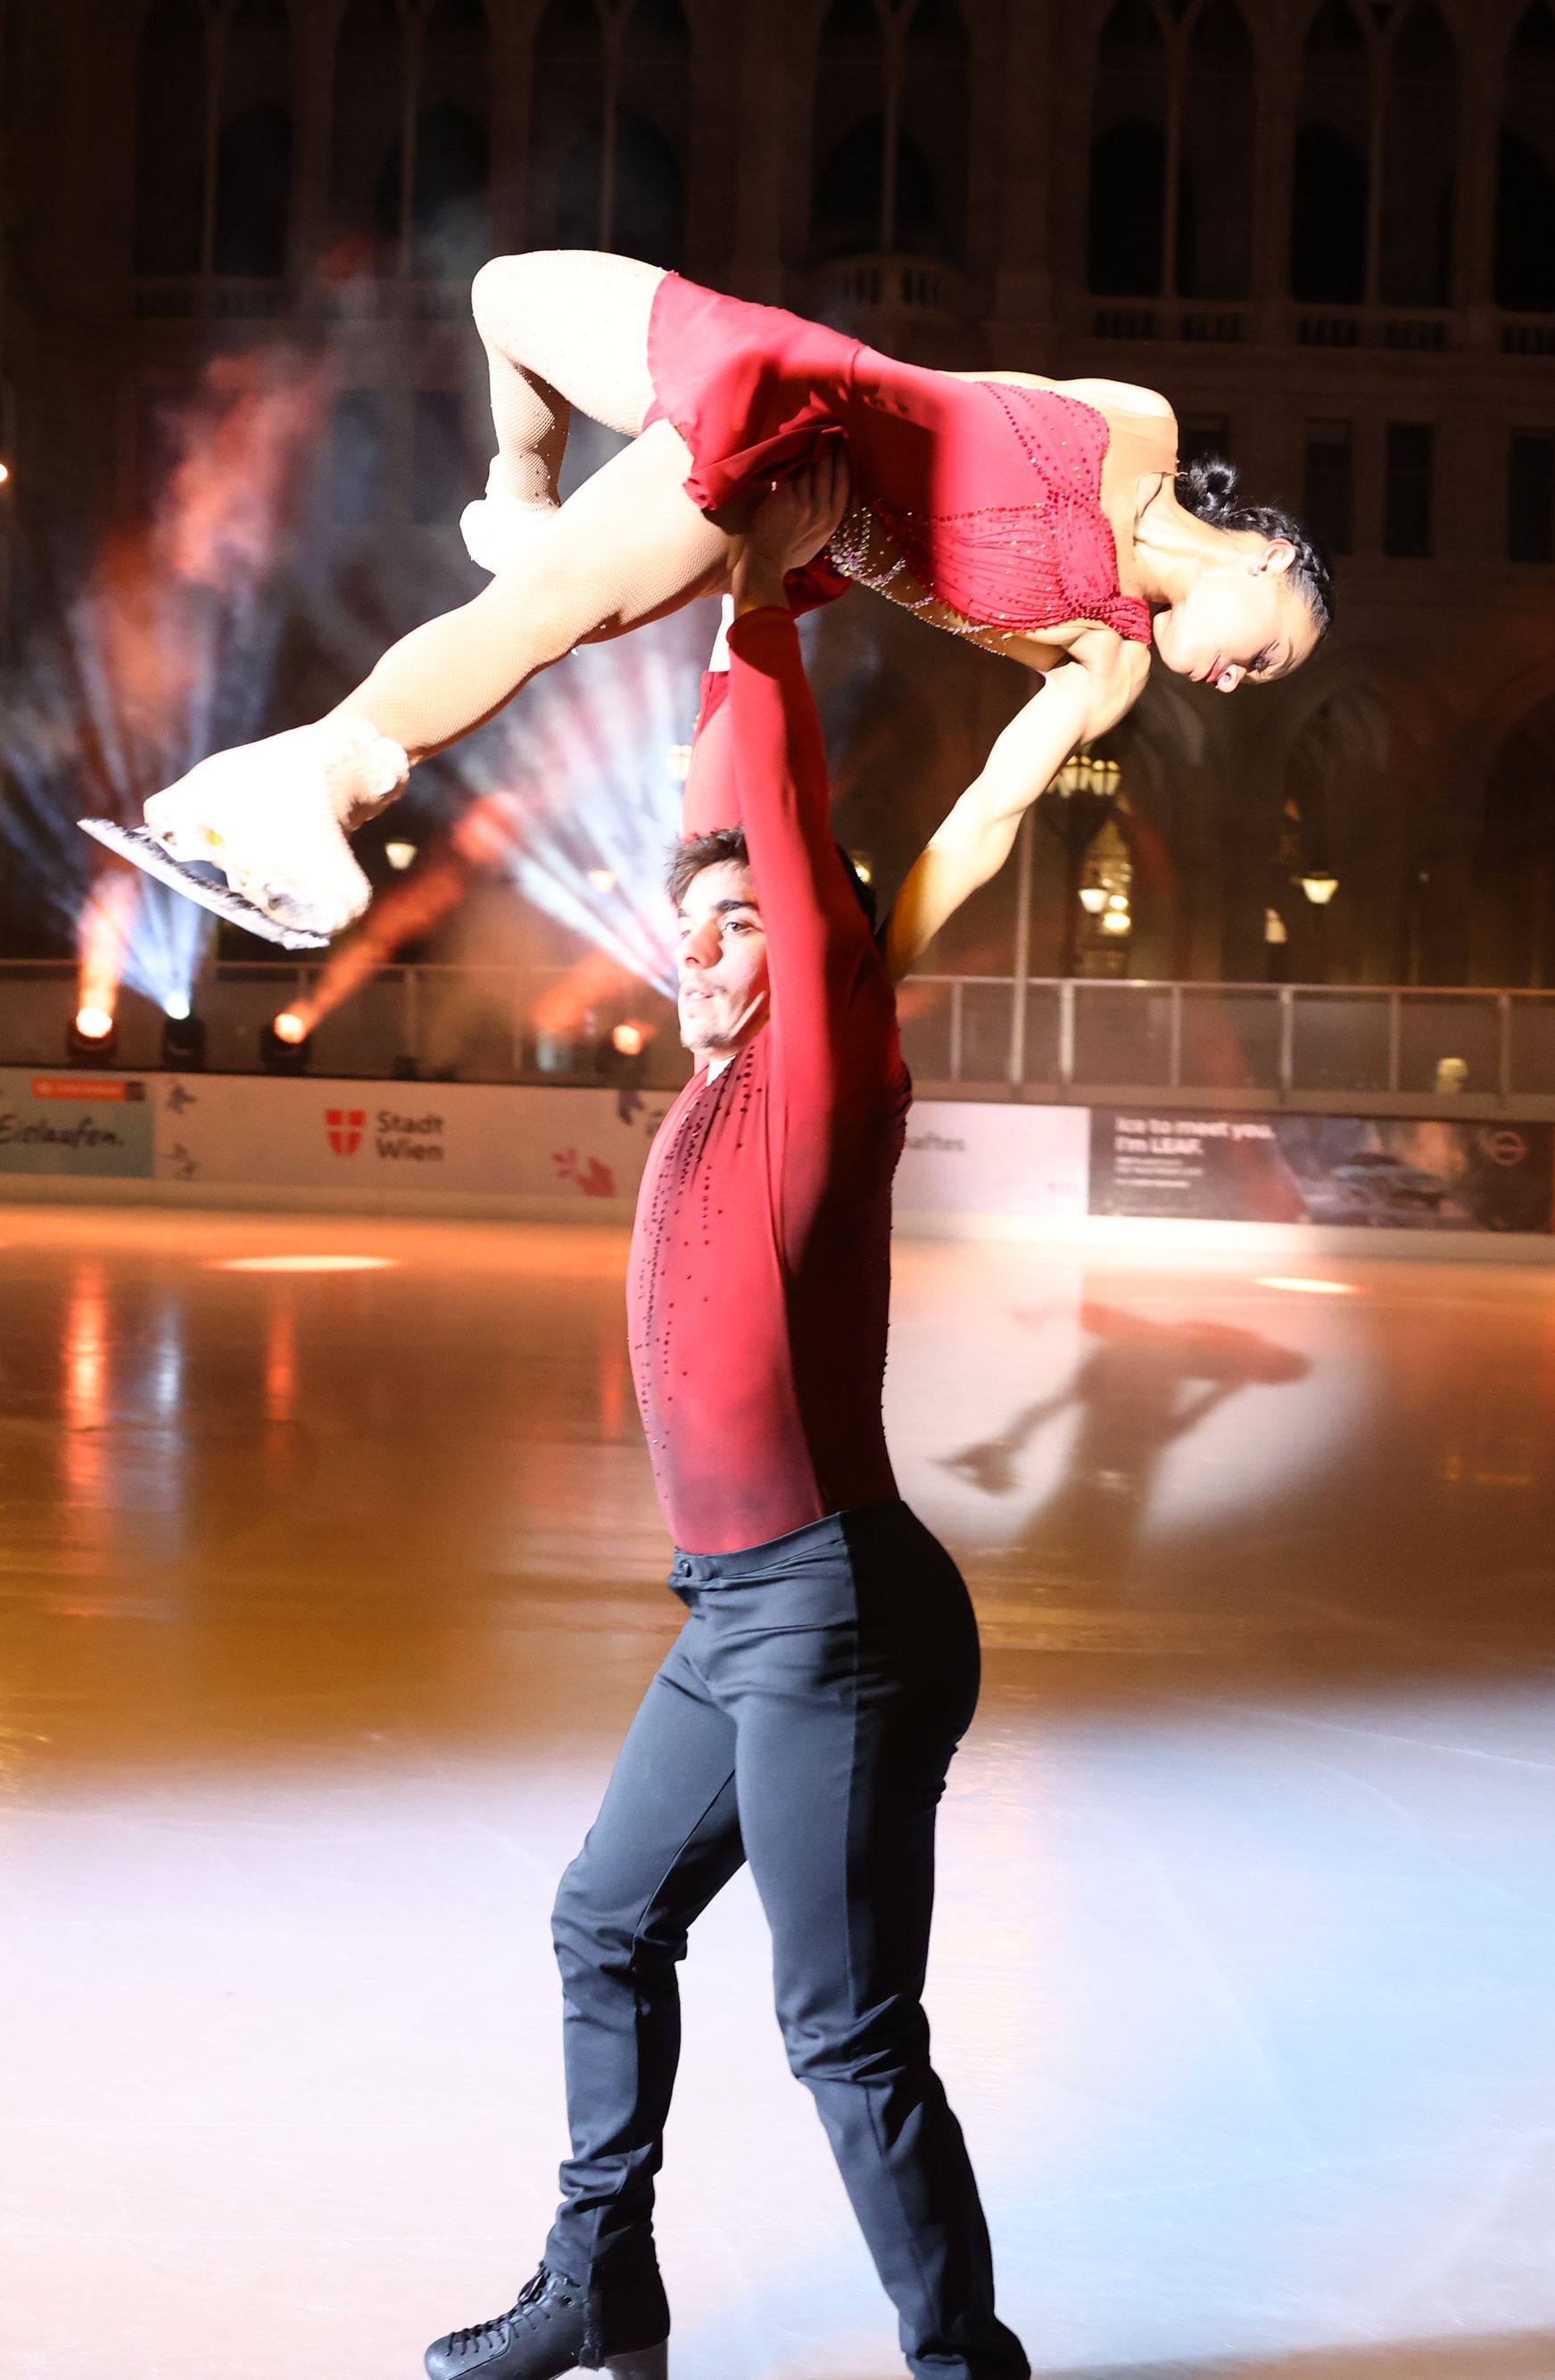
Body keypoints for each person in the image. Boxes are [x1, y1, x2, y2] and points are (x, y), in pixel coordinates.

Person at [421, 449, 1025, 2380]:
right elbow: (714, 832)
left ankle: (960, 2366)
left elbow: (763, 816)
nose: (701, 937)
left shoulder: (818, 1084)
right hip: (741, 1610)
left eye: (742, 923)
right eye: (688, 923)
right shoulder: (706, 1086)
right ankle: (601, 2275)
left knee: (843, 2030)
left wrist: (754, 606)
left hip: (835, 1612)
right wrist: (716, 633)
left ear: (817, 948)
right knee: (603, 1919)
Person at [92, 250, 1330, 957]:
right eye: (1264, 662)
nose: (1231, 686)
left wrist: (868, 976)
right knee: (503, 295)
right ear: (1267, 562)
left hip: (788, 505)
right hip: (790, 383)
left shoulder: (1101, 666)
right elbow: (946, 391)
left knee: (541, 619)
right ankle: (512, 498)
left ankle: (296, 784)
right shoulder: (1141, 425)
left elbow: (982, 824)